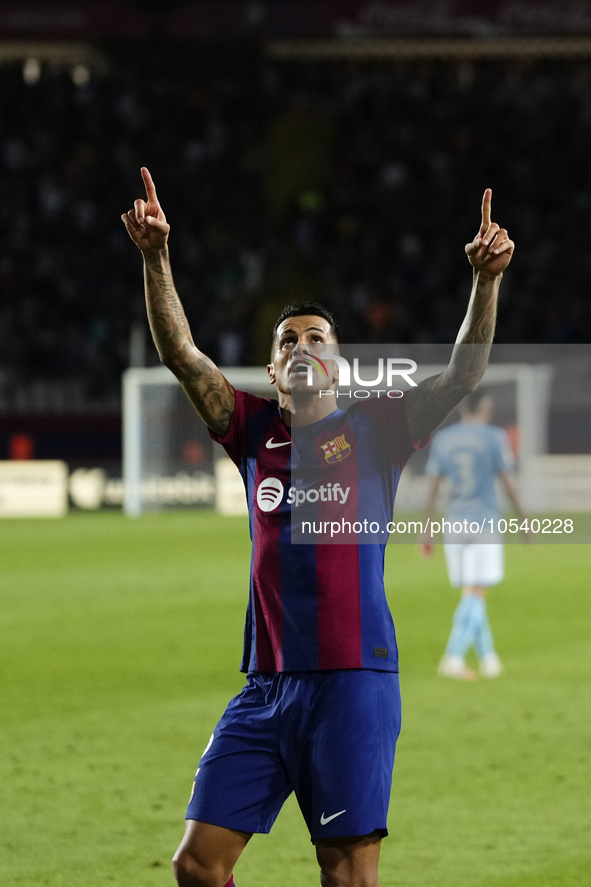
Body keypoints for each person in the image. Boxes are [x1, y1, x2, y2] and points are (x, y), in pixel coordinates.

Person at [122, 167, 514, 887]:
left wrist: (484, 282)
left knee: (346, 877)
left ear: (337, 362)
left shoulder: (380, 427)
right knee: (197, 865)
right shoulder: (249, 430)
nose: (302, 346)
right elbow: (182, 355)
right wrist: (155, 258)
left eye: (316, 337)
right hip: (265, 684)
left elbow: (461, 375)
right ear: (274, 368)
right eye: (287, 340)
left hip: (351, 681)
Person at [421, 390, 526, 680]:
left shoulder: (443, 439)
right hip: (484, 521)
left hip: (453, 522)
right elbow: (507, 483)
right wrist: (523, 520)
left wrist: (426, 530)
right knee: (476, 593)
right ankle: (453, 657)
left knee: (472, 591)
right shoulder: (495, 437)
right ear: (487, 408)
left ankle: (488, 658)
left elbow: (432, 489)